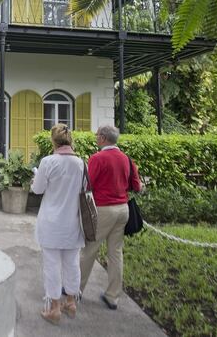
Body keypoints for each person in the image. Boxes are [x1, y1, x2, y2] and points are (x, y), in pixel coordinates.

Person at [80, 125, 141, 310]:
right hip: (123, 209)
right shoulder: (126, 159)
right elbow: (136, 186)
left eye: (97, 135)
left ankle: (75, 290)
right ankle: (113, 296)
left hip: (104, 209)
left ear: (104, 138)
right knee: (116, 253)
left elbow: (86, 184)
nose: (96, 137)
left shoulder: (98, 158)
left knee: (89, 249)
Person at [31, 124, 85, 324]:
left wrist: (35, 177)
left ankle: (54, 308)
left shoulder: (48, 162)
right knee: (72, 264)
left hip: (52, 222)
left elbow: (37, 189)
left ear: (53, 141)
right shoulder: (80, 163)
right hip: (74, 221)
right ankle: (70, 301)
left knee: (52, 265)